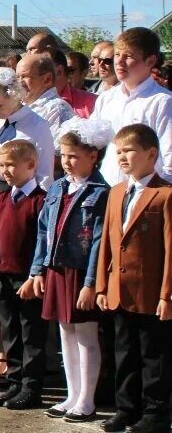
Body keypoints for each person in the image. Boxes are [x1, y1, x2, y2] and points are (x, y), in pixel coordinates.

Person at [31, 118, 110, 423]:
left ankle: (87, 400)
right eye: (63, 155)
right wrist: (38, 270)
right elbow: (42, 231)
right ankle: (72, 394)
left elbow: (100, 242)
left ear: (93, 155)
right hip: (57, 269)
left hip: (80, 271)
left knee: (86, 335)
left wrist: (91, 283)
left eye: (74, 156)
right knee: (65, 332)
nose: (67, 162)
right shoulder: (57, 187)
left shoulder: (100, 193)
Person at [94, 124, 172, 433]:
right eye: (118, 152)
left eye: (129, 151)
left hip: (152, 292)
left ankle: (156, 413)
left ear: (151, 154)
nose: (122, 157)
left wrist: (167, 295)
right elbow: (108, 244)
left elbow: (170, 250)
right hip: (119, 289)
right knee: (124, 353)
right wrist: (102, 285)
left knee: (154, 356)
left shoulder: (164, 194)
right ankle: (127, 408)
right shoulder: (116, 193)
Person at [0, 139, 48, 410]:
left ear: (31, 165)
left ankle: (31, 387)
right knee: (10, 331)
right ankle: (15, 382)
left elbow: (44, 240)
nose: (5, 170)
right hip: (5, 274)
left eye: (11, 164)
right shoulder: (1, 200)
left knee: (31, 332)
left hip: (28, 277)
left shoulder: (40, 200)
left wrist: (36, 274)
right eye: (2, 165)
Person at [91, 27, 172, 185]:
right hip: (109, 190)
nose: (119, 62)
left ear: (150, 61)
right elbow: (92, 141)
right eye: (116, 54)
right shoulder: (106, 99)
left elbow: (170, 157)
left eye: (128, 56)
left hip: (146, 192)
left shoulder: (162, 101)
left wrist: (160, 194)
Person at [0, 67, 56, 191]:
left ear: (13, 94)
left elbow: (45, 174)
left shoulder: (38, 125)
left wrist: (41, 204)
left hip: (24, 192)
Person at [17, 53, 74, 132]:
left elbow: (60, 143)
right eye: (17, 77)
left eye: (25, 76)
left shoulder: (57, 109)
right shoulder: (19, 105)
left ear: (47, 79)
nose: (19, 82)